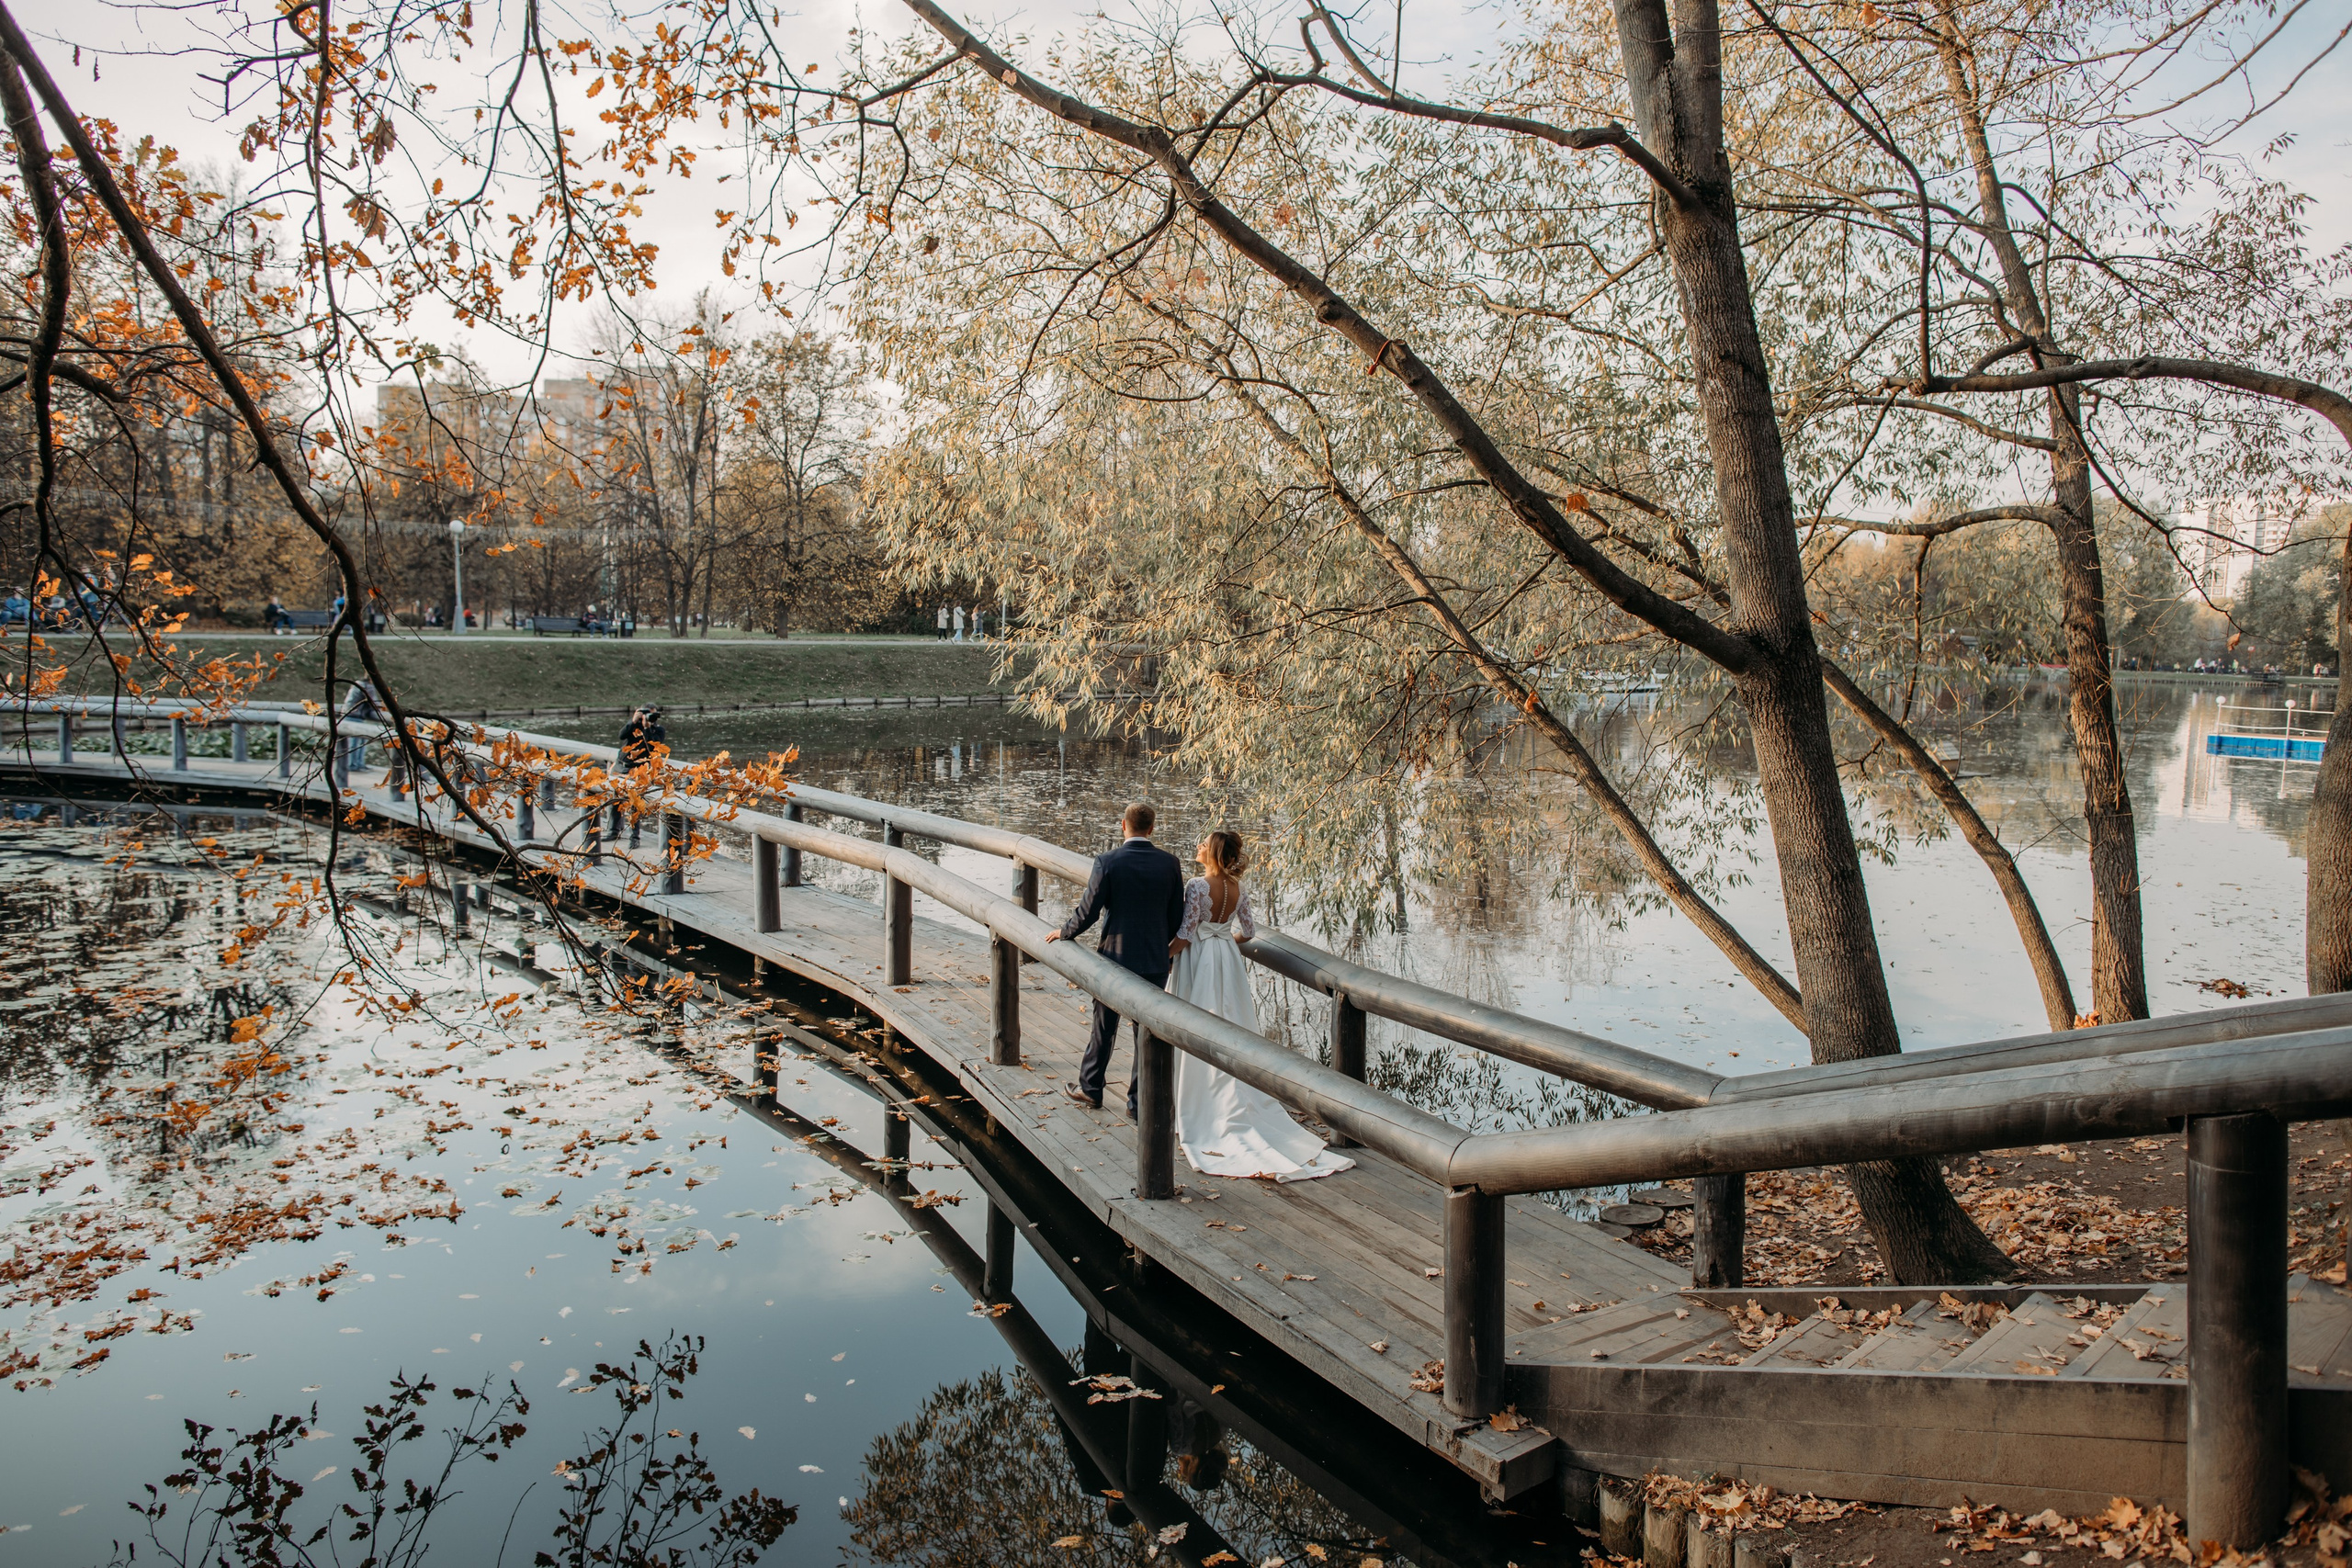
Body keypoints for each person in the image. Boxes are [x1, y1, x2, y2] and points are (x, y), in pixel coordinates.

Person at [1166, 830, 1353, 1182]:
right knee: (1231, 1020)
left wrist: (1164, 955)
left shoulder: (1196, 886)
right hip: (1226, 957)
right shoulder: (1238, 888)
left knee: (1197, 1020)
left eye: (1204, 844)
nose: (1198, 846)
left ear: (1213, 853)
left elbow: (1187, 933)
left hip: (1199, 960)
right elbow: (1249, 932)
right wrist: (1224, 938)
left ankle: (1196, 1099)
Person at [1047, 801, 1184, 1114]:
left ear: (1123, 825)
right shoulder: (1170, 863)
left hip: (1115, 958)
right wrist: (1160, 946)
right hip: (1155, 959)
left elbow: (1089, 911)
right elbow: (1176, 916)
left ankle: (1091, 1088)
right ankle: (1139, 1104)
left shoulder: (1108, 861)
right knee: (1146, 1033)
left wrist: (1064, 932)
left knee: (1104, 1027)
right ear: (1152, 829)